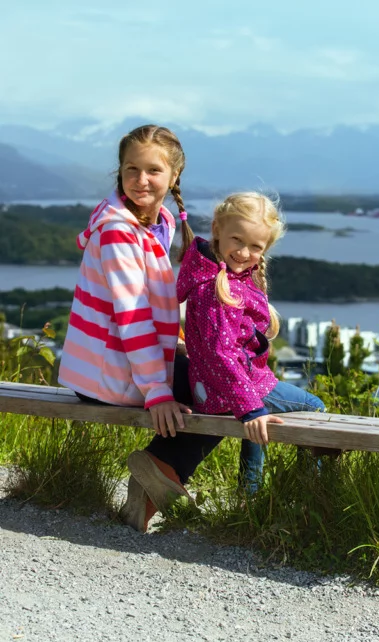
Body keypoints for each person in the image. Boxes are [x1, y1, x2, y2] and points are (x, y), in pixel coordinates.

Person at [58, 124, 222, 533]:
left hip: (118, 364)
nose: (141, 179)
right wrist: (158, 393)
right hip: (107, 374)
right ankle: (161, 472)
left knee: (217, 378)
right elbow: (131, 318)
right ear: (120, 172)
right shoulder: (118, 231)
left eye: (153, 170)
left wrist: (182, 344)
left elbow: (154, 308)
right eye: (132, 169)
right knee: (222, 389)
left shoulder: (158, 221)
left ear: (174, 176)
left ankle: (154, 481)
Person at [176, 192, 328, 493]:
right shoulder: (217, 290)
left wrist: (253, 409)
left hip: (215, 386)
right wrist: (249, 408)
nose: (244, 253)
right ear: (217, 230)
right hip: (231, 388)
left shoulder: (218, 274)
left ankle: (251, 493)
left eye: (255, 247)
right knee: (314, 407)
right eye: (237, 240)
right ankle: (312, 492)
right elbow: (222, 354)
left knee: (260, 419)